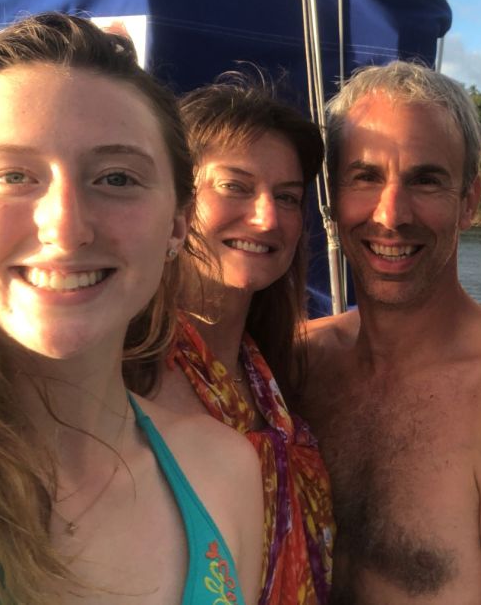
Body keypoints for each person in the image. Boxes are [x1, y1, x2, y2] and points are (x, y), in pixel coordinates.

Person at [0, 13, 262, 604]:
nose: (65, 228)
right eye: (13, 175)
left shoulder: (225, 471)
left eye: (116, 178)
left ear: (177, 223)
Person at [300, 61, 481, 604]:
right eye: (365, 176)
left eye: (426, 180)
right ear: (332, 195)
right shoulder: (301, 363)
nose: (391, 214)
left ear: (468, 201)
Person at [141, 73, 334, 604]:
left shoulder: (270, 375)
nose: (268, 218)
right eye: (235, 186)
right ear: (176, 203)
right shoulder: (128, 376)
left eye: (288, 197)